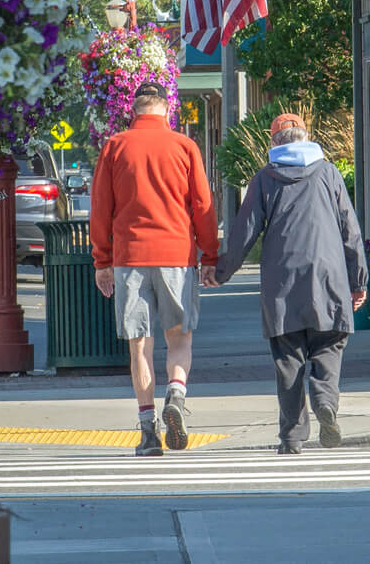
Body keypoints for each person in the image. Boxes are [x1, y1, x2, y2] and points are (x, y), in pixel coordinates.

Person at [209, 112, 366, 455]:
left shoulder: (265, 178)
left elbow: (244, 233)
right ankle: (325, 401)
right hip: (328, 277)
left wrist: (221, 272)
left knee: (288, 357)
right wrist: (358, 280)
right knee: (328, 345)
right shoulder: (328, 172)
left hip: (282, 282)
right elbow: (349, 230)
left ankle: (292, 438)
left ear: (273, 143)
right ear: (306, 137)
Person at [91, 81, 218, 457]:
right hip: (176, 256)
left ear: (134, 111)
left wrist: (102, 260)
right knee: (179, 340)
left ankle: (148, 432)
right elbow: (203, 206)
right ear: (167, 110)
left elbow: (101, 208)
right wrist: (209, 256)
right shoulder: (185, 147)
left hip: (129, 258)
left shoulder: (115, 147)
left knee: (139, 347)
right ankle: (176, 394)